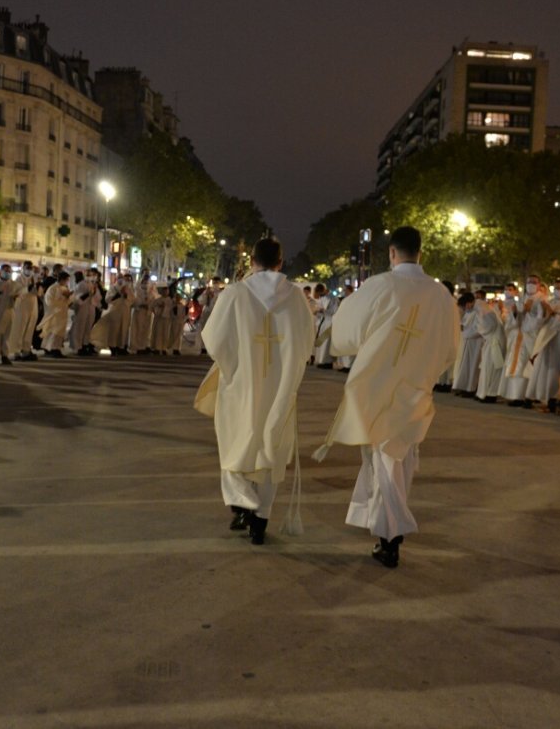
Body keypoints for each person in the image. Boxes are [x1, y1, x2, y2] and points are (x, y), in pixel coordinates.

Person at [314, 226, 458, 569]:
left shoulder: (380, 285)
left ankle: (392, 534)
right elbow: (451, 348)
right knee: (398, 459)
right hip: (416, 389)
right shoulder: (441, 296)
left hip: (378, 386)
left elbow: (347, 326)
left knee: (385, 461)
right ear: (419, 253)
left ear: (393, 253)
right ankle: (384, 530)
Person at [195, 238, 313, 546]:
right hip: (281, 386)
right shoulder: (296, 298)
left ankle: (242, 502)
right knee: (271, 450)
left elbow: (214, 340)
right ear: (280, 262)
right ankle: (260, 520)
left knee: (236, 443)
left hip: (241, 385)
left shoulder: (235, 294)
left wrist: (234, 364)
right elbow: (306, 342)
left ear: (252, 261)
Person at [526, 278, 560, 414]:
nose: (557, 290)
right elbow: (541, 321)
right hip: (547, 341)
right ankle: (550, 403)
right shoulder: (550, 302)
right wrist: (544, 313)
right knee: (548, 372)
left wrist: (552, 313)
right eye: (555, 288)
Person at [504, 276, 545, 406]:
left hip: (532, 337)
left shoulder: (542, 299)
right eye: (529, 282)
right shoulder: (522, 298)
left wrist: (530, 312)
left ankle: (529, 397)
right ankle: (517, 396)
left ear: (539, 285)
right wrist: (516, 313)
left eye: (534, 282)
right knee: (518, 367)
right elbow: (515, 316)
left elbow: (542, 319)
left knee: (529, 367)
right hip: (519, 337)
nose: (531, 284)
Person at [474, 291, 509, 403]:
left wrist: (479, 330)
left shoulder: (488, 314)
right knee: (487, 369)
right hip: (491, 343)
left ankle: (491, 394)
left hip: (495, 344)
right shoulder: (486, 312)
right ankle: (484, 393)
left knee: (493, 369)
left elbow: (488, 328)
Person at [451, 292, 482, 397]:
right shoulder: (469, 311)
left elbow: (479, 328)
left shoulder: (479, 311)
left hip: (475, 343)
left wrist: (464, 333)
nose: (465, 309)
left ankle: (471, 389)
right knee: (463, 366)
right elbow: (464, 323)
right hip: (466, 342)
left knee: (472, 366)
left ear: (468, 303)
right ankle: (464, 387)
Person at [10, 261, 40, 362]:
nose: (29, 269)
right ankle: (16, 352)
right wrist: (28, 288)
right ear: (23, 268)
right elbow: (16, 292)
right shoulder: (19, 279)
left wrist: (38, 285)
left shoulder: (34, 278)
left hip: (32, 305)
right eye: (27, 267)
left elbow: (38, 293)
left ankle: (26, 350)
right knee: (20, 329)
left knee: (30, 329)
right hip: (22, 307)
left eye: (31, 268)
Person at [38, 271, 73, 357]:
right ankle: (52, 348)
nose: (67, 282)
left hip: (62, 312)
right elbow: (49, 301)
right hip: (55, 313)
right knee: (54, 331)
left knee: (60, 332)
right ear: (61, 279)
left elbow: (68, 301)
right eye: (66, 280)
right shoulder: (53, 288)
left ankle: (56, 348)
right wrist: (62, 298)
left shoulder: (64, 288)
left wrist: (68, 297)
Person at [71, 268, 102, 356]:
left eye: (92, 275)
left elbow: (98, 297)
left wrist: (95, 293)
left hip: (91, 307)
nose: (90, 277)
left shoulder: (93, 284)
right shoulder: (81, 284)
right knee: (80, 327)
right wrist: (88, 294)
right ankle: (78, 347)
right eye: (88, 275)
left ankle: (85, 345)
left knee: (88, 327)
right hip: (83, 307)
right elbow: (77, 297)